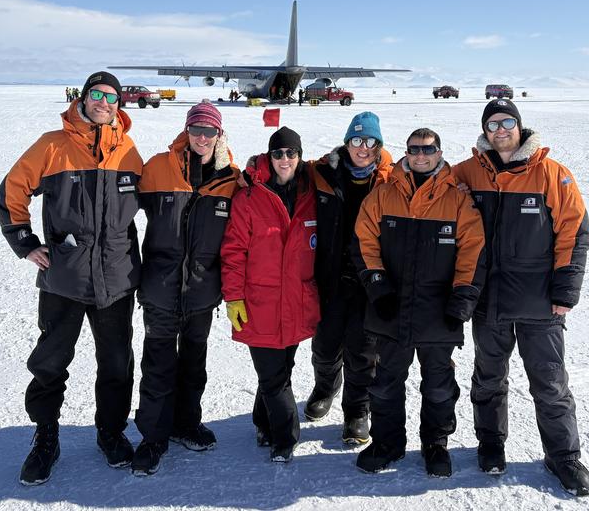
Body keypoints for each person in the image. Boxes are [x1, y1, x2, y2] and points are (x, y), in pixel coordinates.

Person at [0, 71, 142, 485]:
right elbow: (11, 191)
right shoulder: (52, 145)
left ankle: (111, 433)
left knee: (116, 363)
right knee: (50, 362)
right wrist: (25, 242)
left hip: (116, 279)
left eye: (111, 97)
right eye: (97, 94)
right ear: (83, 97)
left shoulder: (129, 152)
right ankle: (46, 437)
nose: (103, 103)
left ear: (119, 105)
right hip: (64, 277)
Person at [452, 99, 589, 496]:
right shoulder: (467, 172)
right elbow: (430, 185)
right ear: (485, 130)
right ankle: (490, 444)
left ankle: (563, 455)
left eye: (507, 122)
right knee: (488, 378)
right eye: (493, 124)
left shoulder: (551, 173)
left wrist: (565, 290)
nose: (500, 130)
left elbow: (574, 232)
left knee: (549, 382)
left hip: (539, 302)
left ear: (519, 125)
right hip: (489, 300)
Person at [353, 128, 485, 476]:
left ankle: (435, 444)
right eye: (414, 149)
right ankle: (387, 443)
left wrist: (462, 297)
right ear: (406, 153)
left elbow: (473, 250)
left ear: (439, 152)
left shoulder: (458, 198)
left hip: (438, 312)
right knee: (385, 383)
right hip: (391, 308)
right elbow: (364, 241)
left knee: (439, 386)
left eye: (428, 149)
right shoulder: (384, 194)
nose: (421, 155)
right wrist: (378, 286)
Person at [131, 102, 240, 476]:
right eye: (196, 130)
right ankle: (153, 437)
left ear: (219, 135)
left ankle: (186, 424)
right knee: (158, 367)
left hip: (202, 291)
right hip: (160, 288)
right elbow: (118, 209)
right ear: (187, 130)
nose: (202, 138)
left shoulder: (231, 180)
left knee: (194, 365)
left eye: (209, 131)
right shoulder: (158, 167)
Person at [220, 127, 320, 463]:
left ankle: (262, 422)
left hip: (296, 300)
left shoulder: (311, 194)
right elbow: (233, 252)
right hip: (259, 303)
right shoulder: (249, 198)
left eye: (291, 153)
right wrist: (234, 296)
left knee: (282, 369)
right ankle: (285, 437)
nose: (284, 159)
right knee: (273, 376)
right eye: (278, 153)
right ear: (269, 156)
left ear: (300, 157)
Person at [305, 112, 393, 446]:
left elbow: (432, 181)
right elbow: (284, 167)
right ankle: (326, 387)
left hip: (370, 278)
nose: (363, 147)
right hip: (330, 275)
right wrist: (257, 167)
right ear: (346, 142)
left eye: (370, 141)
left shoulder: (391, 179)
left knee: (364, 350)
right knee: (325, 344)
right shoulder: (323, 172)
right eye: (356, 140)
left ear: (378, 144)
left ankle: (357, 411)